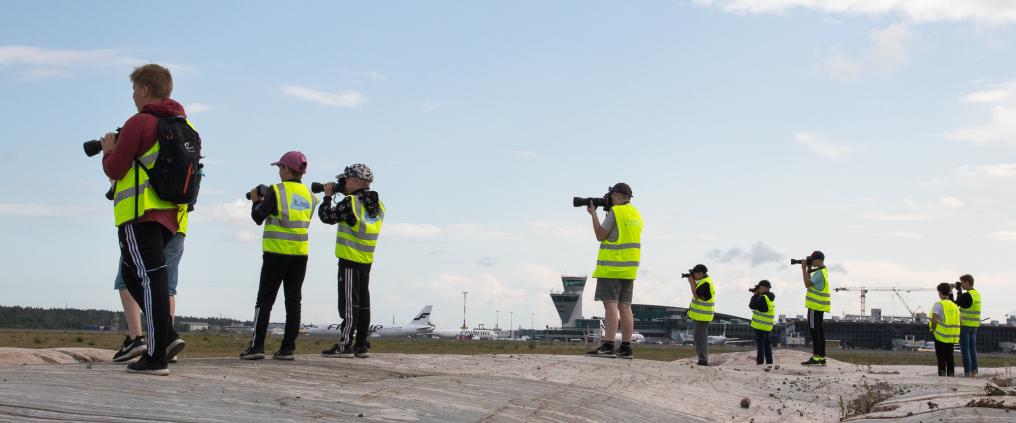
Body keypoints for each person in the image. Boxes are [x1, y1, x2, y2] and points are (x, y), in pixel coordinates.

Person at [101, 64, 191, 375]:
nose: (132, 95)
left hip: (139, 215)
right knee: (133, 273)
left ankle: (155, 358)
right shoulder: (180, 124)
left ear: (144, 90)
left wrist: (107, 150)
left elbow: (115, 169)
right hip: (171, 217)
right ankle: (166, 337)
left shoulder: (140, 122)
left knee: (150, 278)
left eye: (134, 89)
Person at [240, 151, 319, 361]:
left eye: (279, 168)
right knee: (293, 302)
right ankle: (287, 348)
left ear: (286, 169)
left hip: (276, 253)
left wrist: (255, 200)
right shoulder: (311, 197)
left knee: (264, 300)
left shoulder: (277, 191)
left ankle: (257, 346)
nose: (278, 172)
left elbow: (258, 216)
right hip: (300, 254)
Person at [320, 164, 385, 359]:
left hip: (349, 259)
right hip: (366, 260)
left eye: (346, 180)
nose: (344, 183)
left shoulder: (351, 202)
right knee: (363, 305)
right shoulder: (378, 205)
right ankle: (361, 344)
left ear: (356, 181)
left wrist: (327, 196)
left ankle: (344, 345)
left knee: (348, 305)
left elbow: (326, 216)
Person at [112, 205, 188, 363]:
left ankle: (136, 338)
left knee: (128, 276)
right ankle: (166, 342)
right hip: (178, 221)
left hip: (144, 217)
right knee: (166, 284)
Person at [583, 183, 642, 360]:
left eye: (611, 196)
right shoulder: (636, 214)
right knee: (625, 307)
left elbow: (600, 235)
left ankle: (608, 345)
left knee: (610, 305)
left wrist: (593, 214)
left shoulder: (616, 212)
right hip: (629, 269)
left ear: (617, 196)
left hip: (611, 267)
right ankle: (626, 348)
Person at [800, 251, 829, 367]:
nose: (811, 261)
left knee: (814, 332)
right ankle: (822, 358)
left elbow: (807, 284)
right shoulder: (823, 271)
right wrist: (809, 269)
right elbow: (812, 284)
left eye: (812, 260)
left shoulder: (819, 273)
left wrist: (803, 269)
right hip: (820, 307)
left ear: (818, 260)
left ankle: (816, 357)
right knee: (820, 332)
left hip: (814, 307)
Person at [930, 282, 960, 377]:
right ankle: (951, 375)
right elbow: (961, 320)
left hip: (940, 336)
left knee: (941, 358)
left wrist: (933, 329)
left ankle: (942, 376)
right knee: (950, 357)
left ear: (940, 292)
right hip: (951, 337)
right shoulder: (955, 306)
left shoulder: (938, 304)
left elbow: (934, 319)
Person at [686, 264, 714, 366]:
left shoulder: (705, 283)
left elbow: (697, 296)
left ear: (701, 273)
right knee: (698, 338)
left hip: (702, 317)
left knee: (701, 339)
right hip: (699, 316)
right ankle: (702, 359)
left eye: (694, 273)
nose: (693, 275)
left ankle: (703, 360)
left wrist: (691, 283)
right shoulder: (703, 282)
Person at [954, 274, 980, 377]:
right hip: (974, 326)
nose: (962, 285)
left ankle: (967, 372)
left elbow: (956, 304)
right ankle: (974, 370)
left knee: (965, 350)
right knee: (972, 349)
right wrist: (960, 291)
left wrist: (956, 291)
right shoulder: (977, 294)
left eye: (962, 282)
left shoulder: (966, 295)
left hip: (965, 326)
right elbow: (963, 302)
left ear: (967, 282)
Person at [749, 280, 775, 366]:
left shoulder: (763, 298)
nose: (758, 289)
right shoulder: (770, 298)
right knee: (767, 345)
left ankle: (760, 362)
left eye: (759, 287)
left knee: (761, 345)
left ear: (764, 287)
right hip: (767, 326)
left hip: (760, 325)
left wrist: (755, 295)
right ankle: (769, 361)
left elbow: (751, 305)